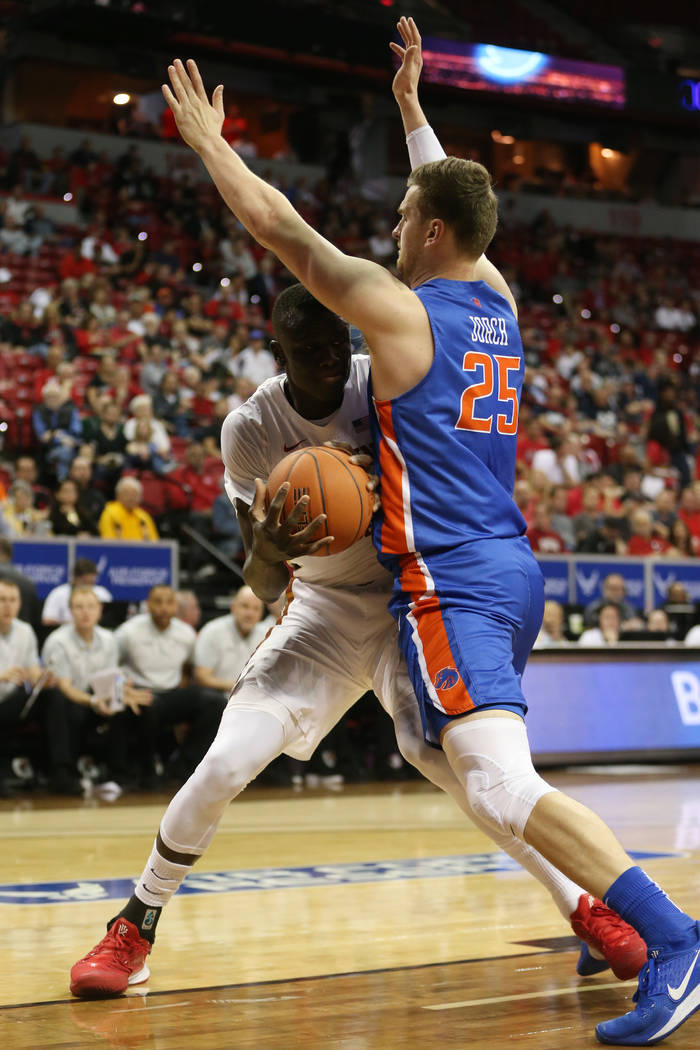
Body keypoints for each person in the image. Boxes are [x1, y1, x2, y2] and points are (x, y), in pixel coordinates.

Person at [137, 32, 700, 1045]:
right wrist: (409, 108)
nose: (393, 230)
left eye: (403, 220)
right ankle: (594, 916)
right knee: (436, 748)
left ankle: (671, 936)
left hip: (450, 580)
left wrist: (210, 145)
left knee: (493, 778)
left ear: (431, 234)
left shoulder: (400, 315)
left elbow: (284, 233)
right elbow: (447, 197)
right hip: (507, 565)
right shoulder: (497, 302)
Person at [70, 285, 643, 1004]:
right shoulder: (251, 429)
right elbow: (261, 579)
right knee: (224, 762)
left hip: (413, 597)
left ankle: (584, 908)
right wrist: (271, 548)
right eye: (309, 352)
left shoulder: (383, 380)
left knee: (467, 771)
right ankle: (135, 926)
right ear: (278, 354)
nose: (332, 360)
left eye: (339, 343)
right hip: (323, 611)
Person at [41, 587, 152, 790]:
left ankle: (119, 774)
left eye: (90, 607)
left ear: (100, 610)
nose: (85, 612)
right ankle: (64, 774)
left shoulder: (109, 639)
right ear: (70, 611)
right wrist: (93, 701)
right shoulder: (57, 641)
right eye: (79, 607)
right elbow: (64, 687)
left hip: (98, 697)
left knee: (126, 705)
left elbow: (110, 679)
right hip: (70, 701)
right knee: (58, 701)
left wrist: (123, 693)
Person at [113, 584, 226, 783]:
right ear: (147, 605)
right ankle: (147, 771)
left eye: (169, 602)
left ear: (176, 606)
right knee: (149, 707)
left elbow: (188, 668)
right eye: (158, 602)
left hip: (172, 693)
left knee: (215, 702)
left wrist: (182, 685)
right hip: (140, 692)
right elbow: (113, 665)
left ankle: (184, 766)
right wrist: (125, 690)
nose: (164, 608)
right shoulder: (127, 632)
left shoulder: (186, 633)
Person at [0, 578, 81, 794]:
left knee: (53, 696)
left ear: (19, 604)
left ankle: (60, 772)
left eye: (12, 600)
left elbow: (33, 671)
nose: (7, 605)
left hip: (11, 703)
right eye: (2, 600)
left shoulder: (24, 630)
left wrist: (43, 678)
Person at [193, 585, 268, 695]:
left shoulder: (267, 636)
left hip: (254, 700)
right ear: (233, 607)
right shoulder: (212, 631)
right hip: (217, 699)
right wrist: (236, 687)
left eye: (256, 609)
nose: (250, 614)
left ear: (261, 614)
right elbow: (201, 677)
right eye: (245, 606)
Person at [42, 558, 113, 627]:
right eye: (85, 582)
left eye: (91, 582)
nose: (87, 587)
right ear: (74, 578)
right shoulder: (58, 593)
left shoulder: (103, 594)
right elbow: (48, 621)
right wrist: (75, 626)